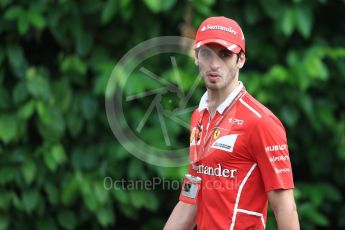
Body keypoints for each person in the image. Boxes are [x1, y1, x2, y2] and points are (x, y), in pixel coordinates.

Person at [164, 16, 300, 229]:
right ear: (196, 57)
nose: (214, 64)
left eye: (225, 55)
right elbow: (190, 197)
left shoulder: (261, 122)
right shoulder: (198, 117)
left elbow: (285, 208)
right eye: (206, 53)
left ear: (241, 60)